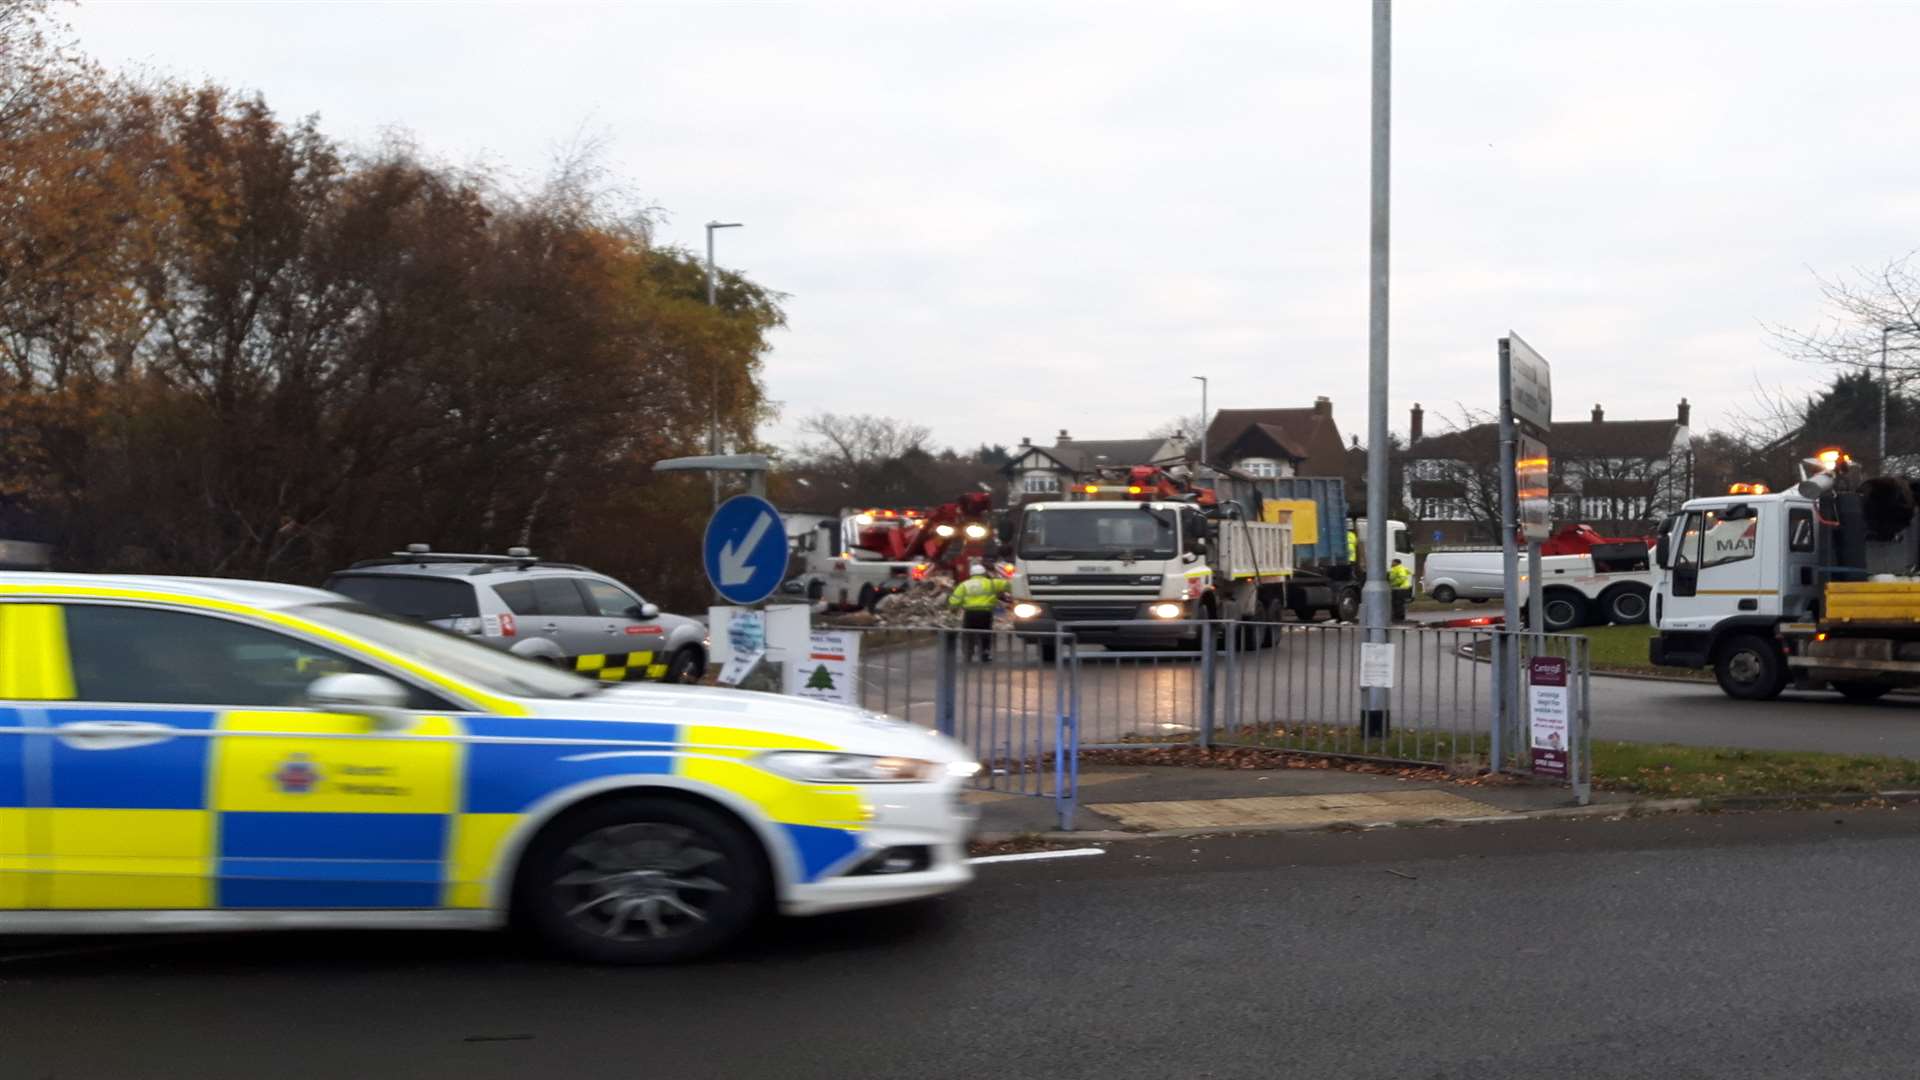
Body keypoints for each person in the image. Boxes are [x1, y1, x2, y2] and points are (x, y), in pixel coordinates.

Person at [948, 561, 1009, 661]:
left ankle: (968, 653)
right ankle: (985, 653)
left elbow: (955, 600)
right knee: (985, 633)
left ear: (971, 574)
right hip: (985, 613)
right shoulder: (992, 583)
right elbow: (1008, 585)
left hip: (970, 613)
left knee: (968, 633)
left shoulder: (964, 585)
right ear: (984, 573)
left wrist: (952, 609)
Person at [1388, 557, 1413, 622]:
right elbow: (1409, 573)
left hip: (1401, 588)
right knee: (1399, 603)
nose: (1391, 563)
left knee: (1398, 603)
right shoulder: (1399, 568)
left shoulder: (1398, 568)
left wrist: (1393, 584)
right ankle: (1399, 617)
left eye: (1393, 562)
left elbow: (1402, 578)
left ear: (1396, 563)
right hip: (1403, 588)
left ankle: (1398, 618)